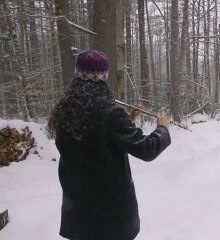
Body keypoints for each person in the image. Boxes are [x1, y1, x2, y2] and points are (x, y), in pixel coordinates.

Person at [47, 50, 171, 240]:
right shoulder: (110, 113)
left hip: (78, 210)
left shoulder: (66, 109)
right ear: (103, 77)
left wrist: (128, 120)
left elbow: (90, 139)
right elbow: (147, 149)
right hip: (108, 215)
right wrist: (162, 128)